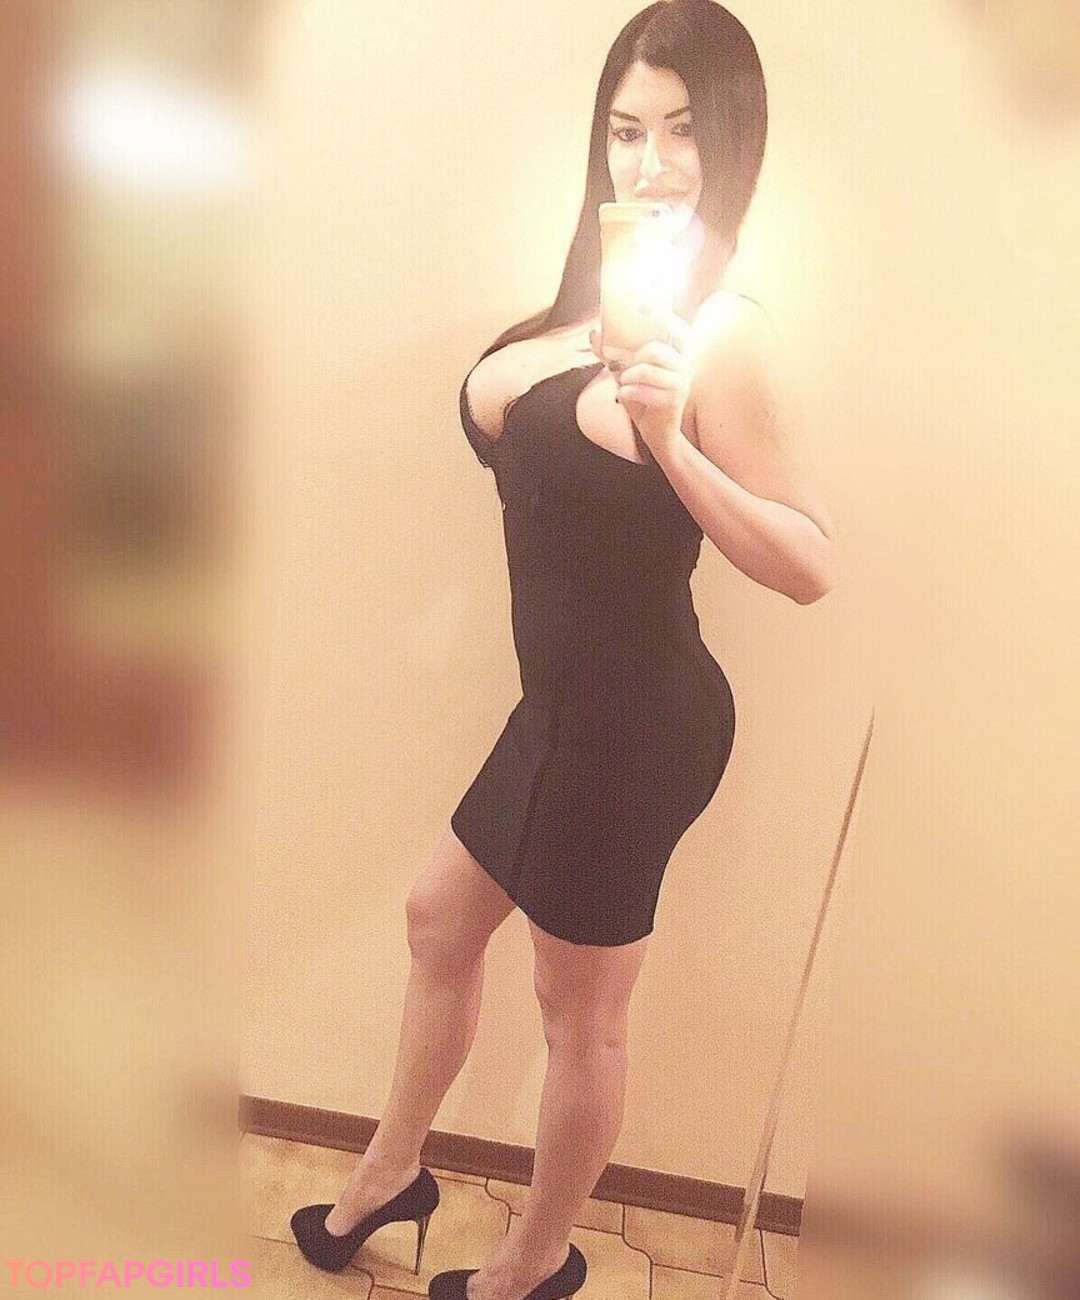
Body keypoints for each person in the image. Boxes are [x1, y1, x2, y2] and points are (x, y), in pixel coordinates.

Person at [290, 2, 836, 1298]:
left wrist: (673, 441)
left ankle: (537, 1261)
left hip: (641, 720)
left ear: (735, 146)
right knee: (438, 921)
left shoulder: (724, 333)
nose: (651, 163)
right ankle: (390, 1174)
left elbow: (810, 563)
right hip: (559, 707)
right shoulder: (587, 309)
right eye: (626, 131)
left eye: (683, 133)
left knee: (578, 1010)